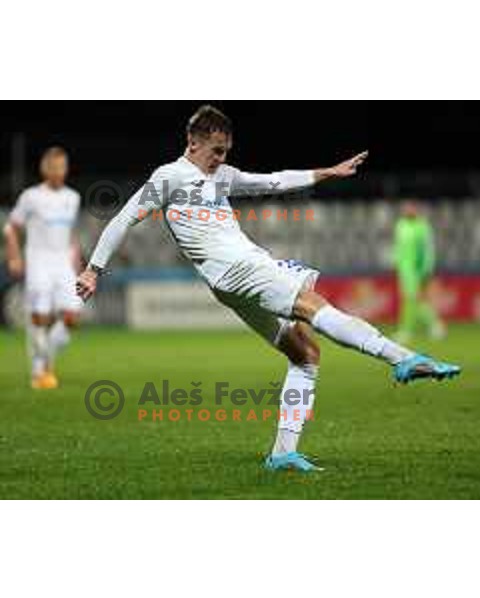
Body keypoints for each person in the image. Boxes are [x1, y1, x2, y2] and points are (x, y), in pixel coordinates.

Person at [76, 105, 460, 472]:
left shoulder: (221, 176)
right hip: (243, 268)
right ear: (192, 142)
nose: (221, 158)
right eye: (216, 151)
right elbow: (123, 219)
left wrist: (326, 172)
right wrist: (94, 270)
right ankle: (402, 358)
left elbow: (273, 180)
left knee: (305, 353)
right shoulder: (168, 177)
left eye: (226, 151)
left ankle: (283, 454)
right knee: (314, 305)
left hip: (228, 282)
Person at [4, 147, 82, 389]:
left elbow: (70, 235)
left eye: (63, 166)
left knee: (71, 316)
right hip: (38, 260)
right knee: (40, 317)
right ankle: (40, 372)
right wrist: (14, 257)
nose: (59, 171)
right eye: (54, 166)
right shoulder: (31, 197)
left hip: (63, 262)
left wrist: (78, 263)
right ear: (44, 169)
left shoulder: (73, 197)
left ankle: (44, 358)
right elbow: (11, 228)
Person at [393, 200, 446, 342]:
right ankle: (433, 325)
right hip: (404, 269)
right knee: (411, 300)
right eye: (405, 208)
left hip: (417, 269)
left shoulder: (422, 226)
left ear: (416, 210)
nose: (407, 210)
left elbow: (427, 249)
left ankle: (409, 330)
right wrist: (396, 263)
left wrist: (426, 268)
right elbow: (398, 247)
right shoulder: (400, 225)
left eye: (410, 208)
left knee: (412, 299)